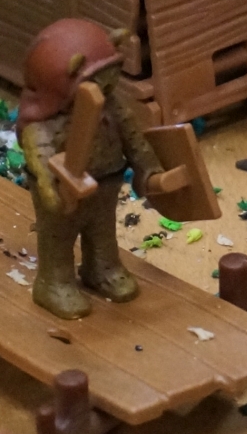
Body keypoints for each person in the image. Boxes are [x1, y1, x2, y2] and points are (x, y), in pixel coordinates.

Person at [17, 19, 164, 320]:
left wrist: (147, 167)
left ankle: (102, 268)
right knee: (59, 236)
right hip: (65, 191)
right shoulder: (43, 125)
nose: (108, 87)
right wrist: (49, 187)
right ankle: (53, 282)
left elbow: (132, 136)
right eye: (99, 81)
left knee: (102, 229)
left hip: (106, 181)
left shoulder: (112, 105)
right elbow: (40, 154)